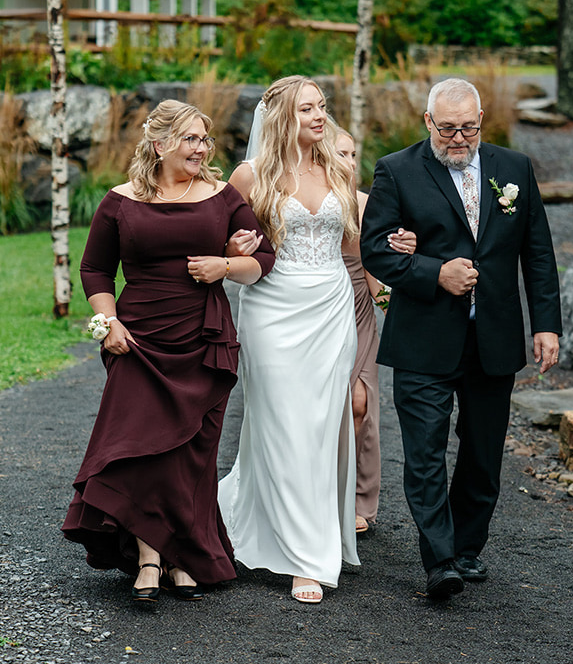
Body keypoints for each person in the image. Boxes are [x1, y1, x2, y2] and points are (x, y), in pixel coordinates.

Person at [64, 99, 275, 603]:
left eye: (205, 140)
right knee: (137, 448)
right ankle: (149, 556)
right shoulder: (120, 200)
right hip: (137, 339)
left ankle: (182, 555)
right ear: (159, 144)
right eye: (190, 140)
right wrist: (107, 322)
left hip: (203, 338)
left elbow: (262, 256)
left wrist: (227, 266)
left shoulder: (224, 198)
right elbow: (94, 269)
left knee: (191, 453)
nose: (201, 149)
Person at [360, 77, 563, 599]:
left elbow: (536, 250)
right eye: (447, 128)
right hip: (423, 339)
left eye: (468, 128)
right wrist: (433, 273)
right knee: (425, 453)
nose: (458, 138)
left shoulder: (513, 169)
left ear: (481, 124)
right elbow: (377, 250)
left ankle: (468, 547)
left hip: (493, 337)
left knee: (482, 454)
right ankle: (441, 559)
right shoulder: (397, 170)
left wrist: (545, 324)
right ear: (428, 122)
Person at [217, 75, 361, 605]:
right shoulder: (251, 174)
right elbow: (223, 242)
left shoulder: (337, 167)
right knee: (279, 423)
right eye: (306, 109)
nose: (319, 116)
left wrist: (397, 241)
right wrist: (237, 242)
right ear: (281, 117)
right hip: (273, 309)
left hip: (329, 305)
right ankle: (302, 555)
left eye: (322, 106)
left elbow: (353, 240)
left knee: (321, 425)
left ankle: (308, 543)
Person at [332, 127, 409, 534]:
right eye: (340, 153)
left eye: (353, 153)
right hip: (316, 307)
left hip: (358, 305)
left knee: (361, 401)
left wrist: (388, 303)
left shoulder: (367, 204)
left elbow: (375, 266)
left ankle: (360, 496)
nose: (350, 162)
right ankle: (323, 491)